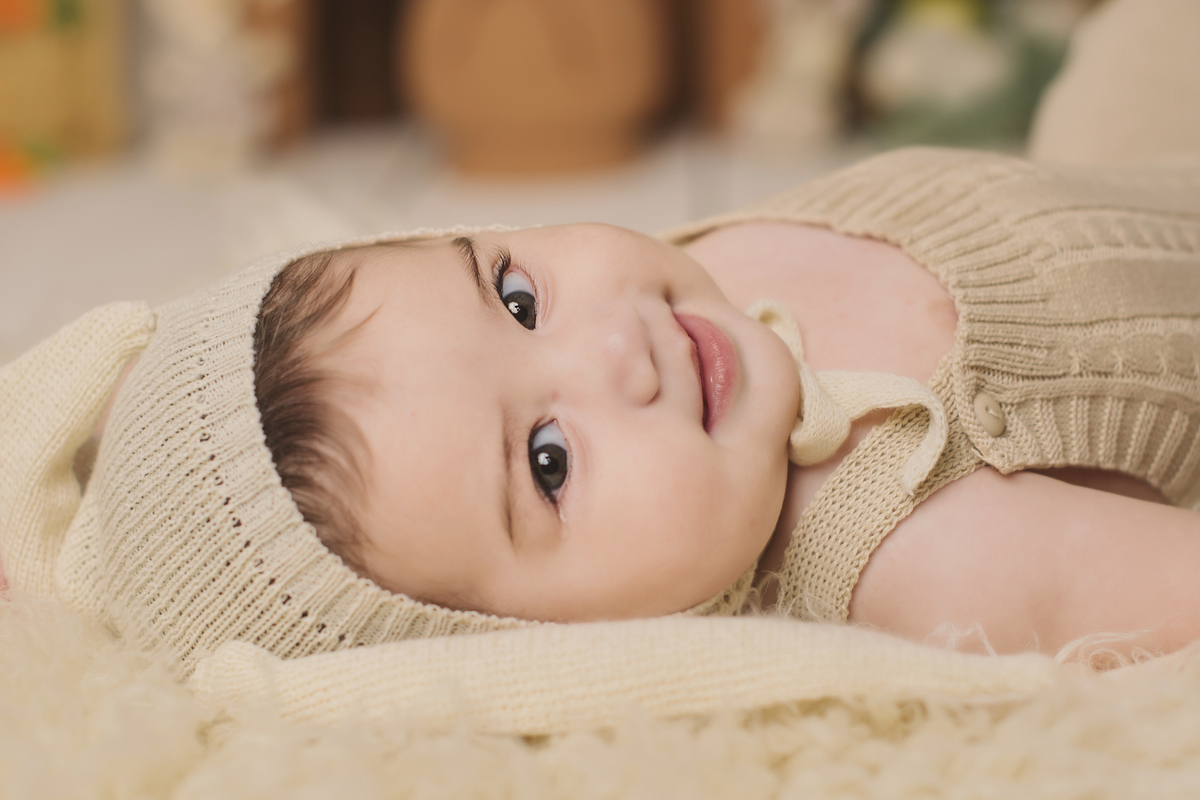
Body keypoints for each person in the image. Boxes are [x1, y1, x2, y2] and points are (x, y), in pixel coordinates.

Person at [4, 146, 1200, 680]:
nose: (618, 349)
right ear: (544, 644)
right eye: (548, 460)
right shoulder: (937, 557)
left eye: (515, 294)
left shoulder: (692, 289)